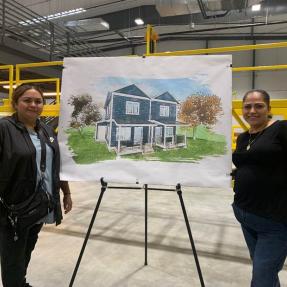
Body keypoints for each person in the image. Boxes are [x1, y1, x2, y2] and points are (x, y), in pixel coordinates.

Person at [0, 83, 73, 287]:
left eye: (38, 101)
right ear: (16, 103)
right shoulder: (4, 129)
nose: (33, 105)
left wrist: (66, 193)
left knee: (26, 251)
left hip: (40, 205)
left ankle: (20, 283)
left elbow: (56, 165)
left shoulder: (47, 130)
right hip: (13, 208)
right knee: (12, 258)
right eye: (27, 100)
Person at [232, 89, 287, 287]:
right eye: (247, 106)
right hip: (244, 213)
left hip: (274, 220)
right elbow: (248, 165)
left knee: (262, 277)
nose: (252, 111)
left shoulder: (281, 129)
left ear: (268, 109)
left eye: (259, 106)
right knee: (264, 270)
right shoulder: (244, 137)